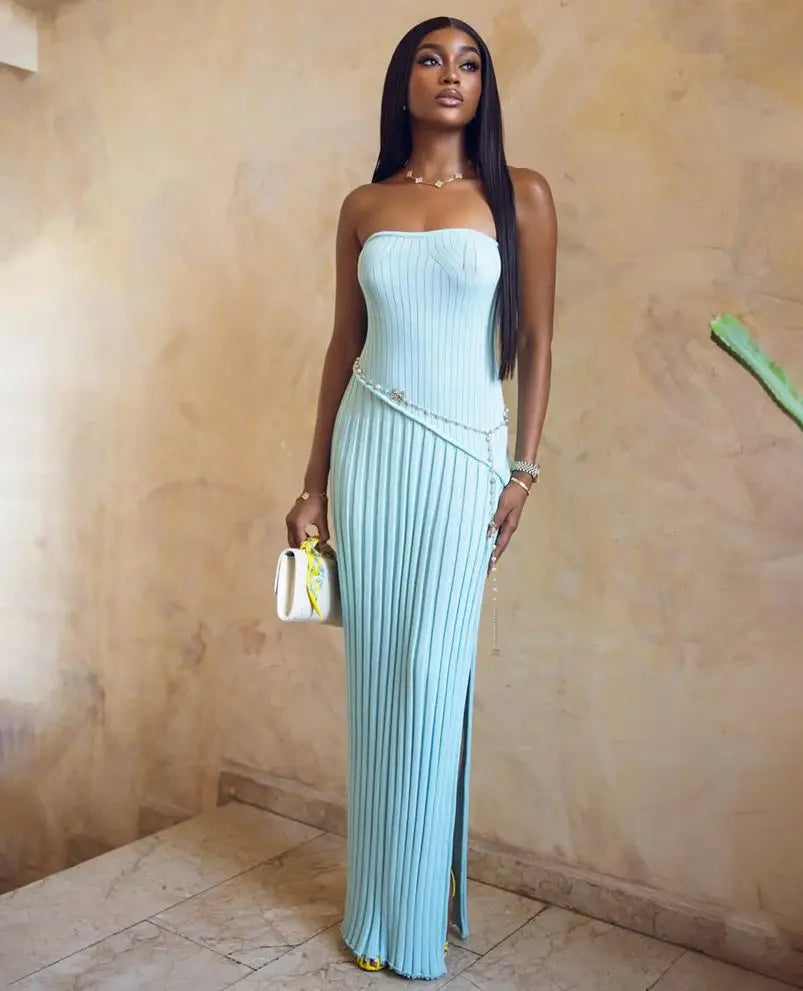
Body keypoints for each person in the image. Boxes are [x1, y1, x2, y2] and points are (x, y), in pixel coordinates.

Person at [284, 15, 556, 981]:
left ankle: (413, 918)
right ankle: (376, 909)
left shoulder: (519, 195)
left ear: (484, 89)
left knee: (432, 675)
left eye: (469, 63)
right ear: (404, 84)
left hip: (462, 460)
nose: (451, 76)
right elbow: (340, 344)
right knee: (376, 680)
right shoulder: (364, 203)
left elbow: (536, 346)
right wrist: (312, 484)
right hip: (369, 451)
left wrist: (522, 472)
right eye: (432, 61)